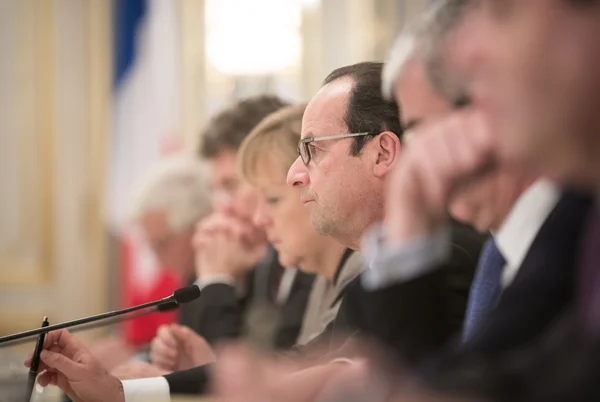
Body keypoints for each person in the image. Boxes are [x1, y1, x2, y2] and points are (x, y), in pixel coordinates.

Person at [90, 155, 212, 372]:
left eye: (163, 244)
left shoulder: (217, 280)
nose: (158, 259)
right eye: (152, 247)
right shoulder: (187, 276)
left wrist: (135, 361)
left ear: (198, 225)